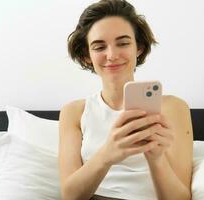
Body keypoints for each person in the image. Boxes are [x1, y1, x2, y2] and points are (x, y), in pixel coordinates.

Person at [58, 0, 193, 199]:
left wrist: (156, 159)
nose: (111, 55)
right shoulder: (74, 112)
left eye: (123, 43)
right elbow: (70, 196)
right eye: (99, 47)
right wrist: (107, 154)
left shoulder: (173, 108)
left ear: (138, 48)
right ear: (87, 55)